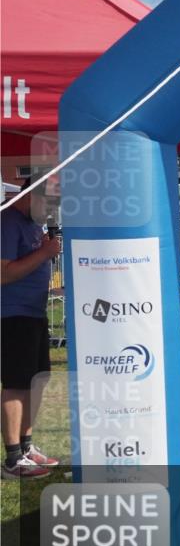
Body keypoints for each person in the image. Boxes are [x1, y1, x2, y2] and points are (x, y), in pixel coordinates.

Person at [1, 178, 61, 478]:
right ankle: (13, 458)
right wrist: (45, 253)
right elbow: (3, 274)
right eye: (48, 204)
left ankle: (26, 447)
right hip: (12, 315)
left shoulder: (32, 223)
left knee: (36, 380)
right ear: (29, 195)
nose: (51, 212)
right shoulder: (8, 222)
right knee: (17, 383)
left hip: (34, 312)